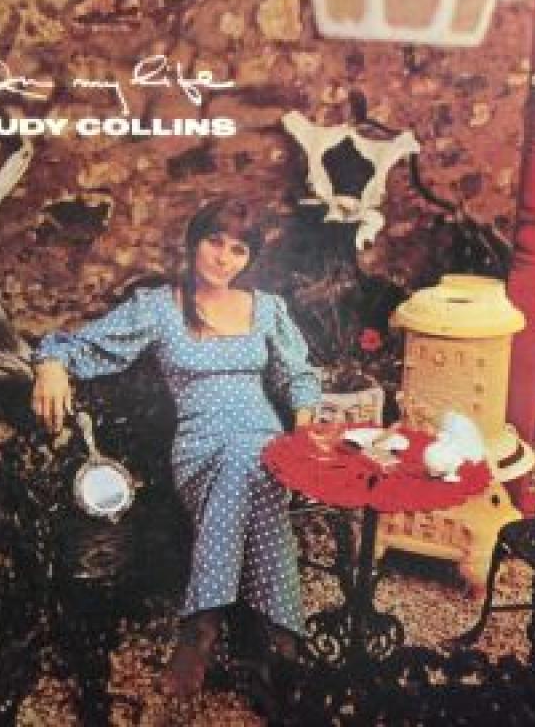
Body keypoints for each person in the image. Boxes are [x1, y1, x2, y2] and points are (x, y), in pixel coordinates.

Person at [31, 197, 321, 698]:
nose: (223, 258)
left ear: (249, 259)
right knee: (244, 464)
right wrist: (51, 364)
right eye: (215, 241)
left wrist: (301, 433)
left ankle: (204, 629)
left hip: (268, 440)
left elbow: (299, 375)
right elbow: (85, 346)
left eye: (238, 250)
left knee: (256, 464)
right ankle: (279, 638)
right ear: (194, 242)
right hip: (201, 446)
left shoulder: (267, 309)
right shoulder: (159, 307)